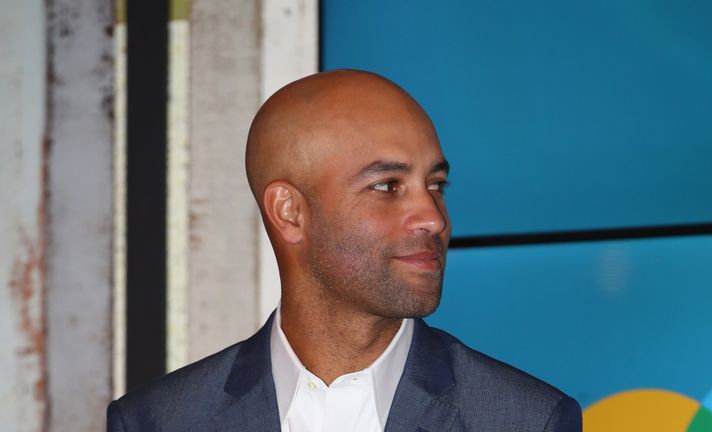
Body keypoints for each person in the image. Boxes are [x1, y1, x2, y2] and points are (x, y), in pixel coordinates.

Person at [107, 70, 582, 431]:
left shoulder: (525, 419)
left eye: (435, 184)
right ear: (290, 211)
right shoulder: (157, 421)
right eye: (388, 186)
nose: (434, 218)